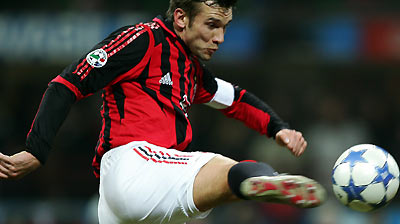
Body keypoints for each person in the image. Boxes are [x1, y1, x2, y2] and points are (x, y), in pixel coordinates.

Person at [0, 0, 327, 223]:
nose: (220, 38)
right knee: (221, 167)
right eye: (212, 25)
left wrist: (278, 128)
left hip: (130, 204)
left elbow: (235, 98)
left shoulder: (192, 70)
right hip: (135, 164)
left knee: (212, 182)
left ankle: (252, 182)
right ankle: (260, 179)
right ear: (182, 18)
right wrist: (36, 149)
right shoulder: (143, 40)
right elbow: (67, 83)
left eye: (225, 27)